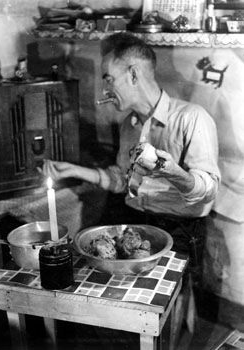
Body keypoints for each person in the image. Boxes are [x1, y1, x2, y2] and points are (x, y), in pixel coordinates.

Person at [39, 32, 220, 287]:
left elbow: (208, 191)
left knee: (171, 304)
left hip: (180, 230)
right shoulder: (129, 125)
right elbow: (123, 180)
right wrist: (76, 171)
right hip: (135, 226)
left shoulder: (192, 118)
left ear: (133, 74)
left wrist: (172, 171)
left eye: (109, 79)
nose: (105, 90)